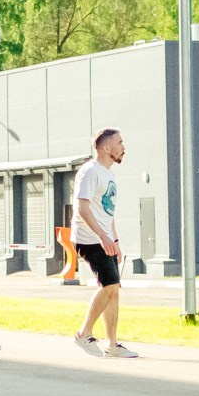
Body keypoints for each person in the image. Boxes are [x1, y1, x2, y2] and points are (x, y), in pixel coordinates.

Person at [71, 127, 137, 358]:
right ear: (107, 147)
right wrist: (102, 237)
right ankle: (84, 334)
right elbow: (82, 208)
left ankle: (112, 344)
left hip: (104, 239)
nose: (123, 147)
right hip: (89, 239)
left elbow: (107, 212)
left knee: (114, 289)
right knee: (109, 286)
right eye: (119, 142)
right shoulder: (90, 172)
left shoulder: (109, 173)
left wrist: (114, 240)